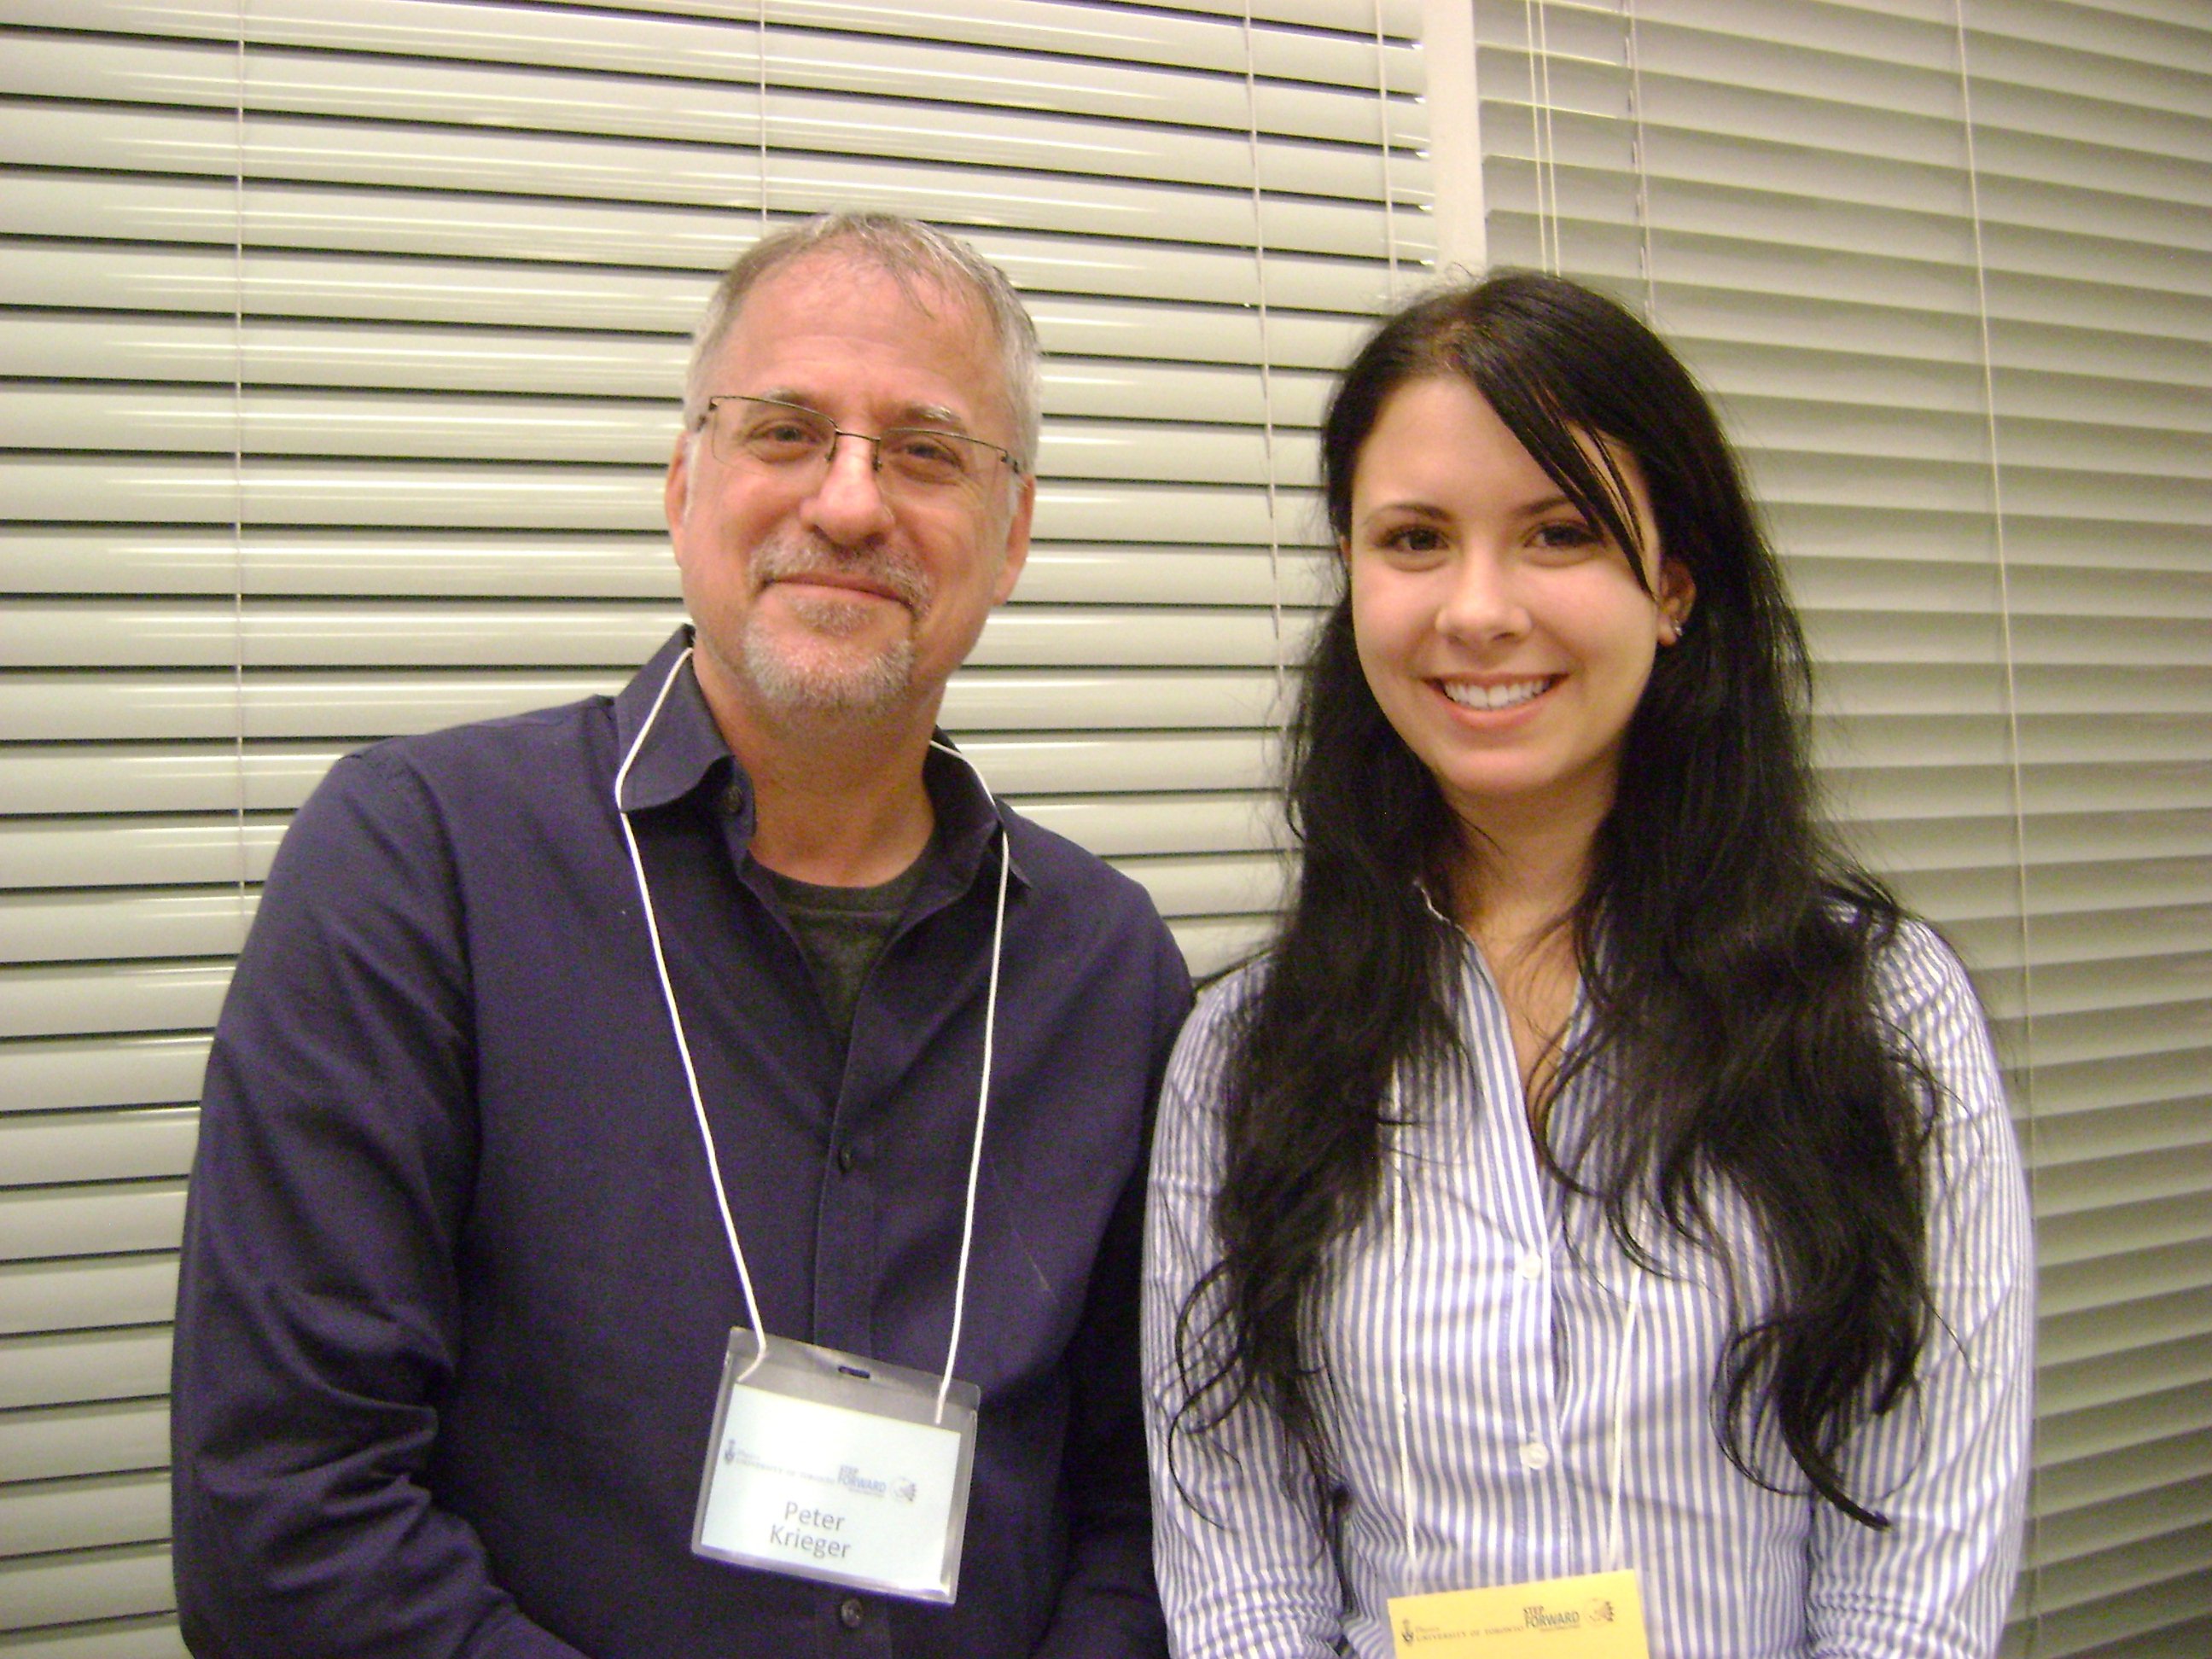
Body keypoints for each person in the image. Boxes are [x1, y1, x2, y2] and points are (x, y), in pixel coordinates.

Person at [172, 212, 1189, 1658]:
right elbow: (283, 1520)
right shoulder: (421, 868)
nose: (849, 504)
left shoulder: (1106, 968)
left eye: (925, 452)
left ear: (1012, 534)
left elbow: (1146, 1517)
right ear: (682, 482)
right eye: (786, 430)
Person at [1141, 272, 2033, 1657]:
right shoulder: (1244, 1055)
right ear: (1354, 580)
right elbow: (1238, 1561)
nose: (1479, 609)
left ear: (1674, 587)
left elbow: (1920, 1562)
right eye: (1417, 539)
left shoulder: (1880, 1006)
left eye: (1559, 534)